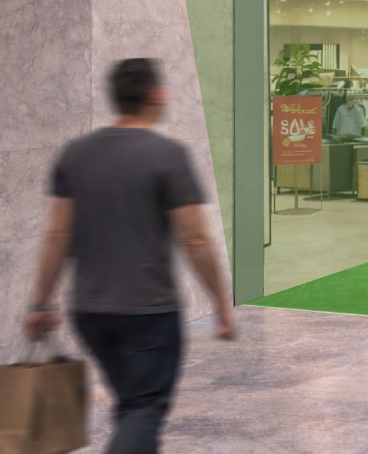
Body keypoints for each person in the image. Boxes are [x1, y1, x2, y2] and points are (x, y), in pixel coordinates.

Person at [23, 58, 234, 454]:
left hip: (90, 313)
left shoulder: (76, 154)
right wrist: (221, 302)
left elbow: (57, 234)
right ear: (156, 96)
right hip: (149, 313)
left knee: (131, 405)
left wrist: (40, 301)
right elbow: (197, 240)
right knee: (144, 408)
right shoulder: (167, 154)